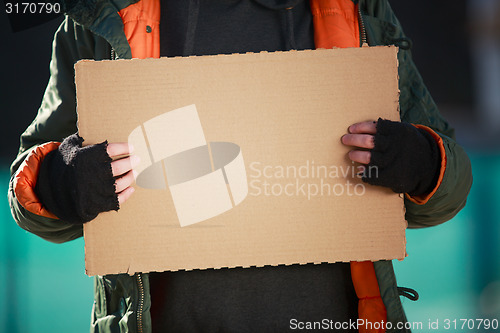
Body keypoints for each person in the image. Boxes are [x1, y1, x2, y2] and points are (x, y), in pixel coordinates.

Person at [8, 0, 472, 332]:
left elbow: (450, 187)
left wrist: (421, 162)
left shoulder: (358, 10)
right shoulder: (103, 13)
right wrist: (59, 181)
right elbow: (27, 188)